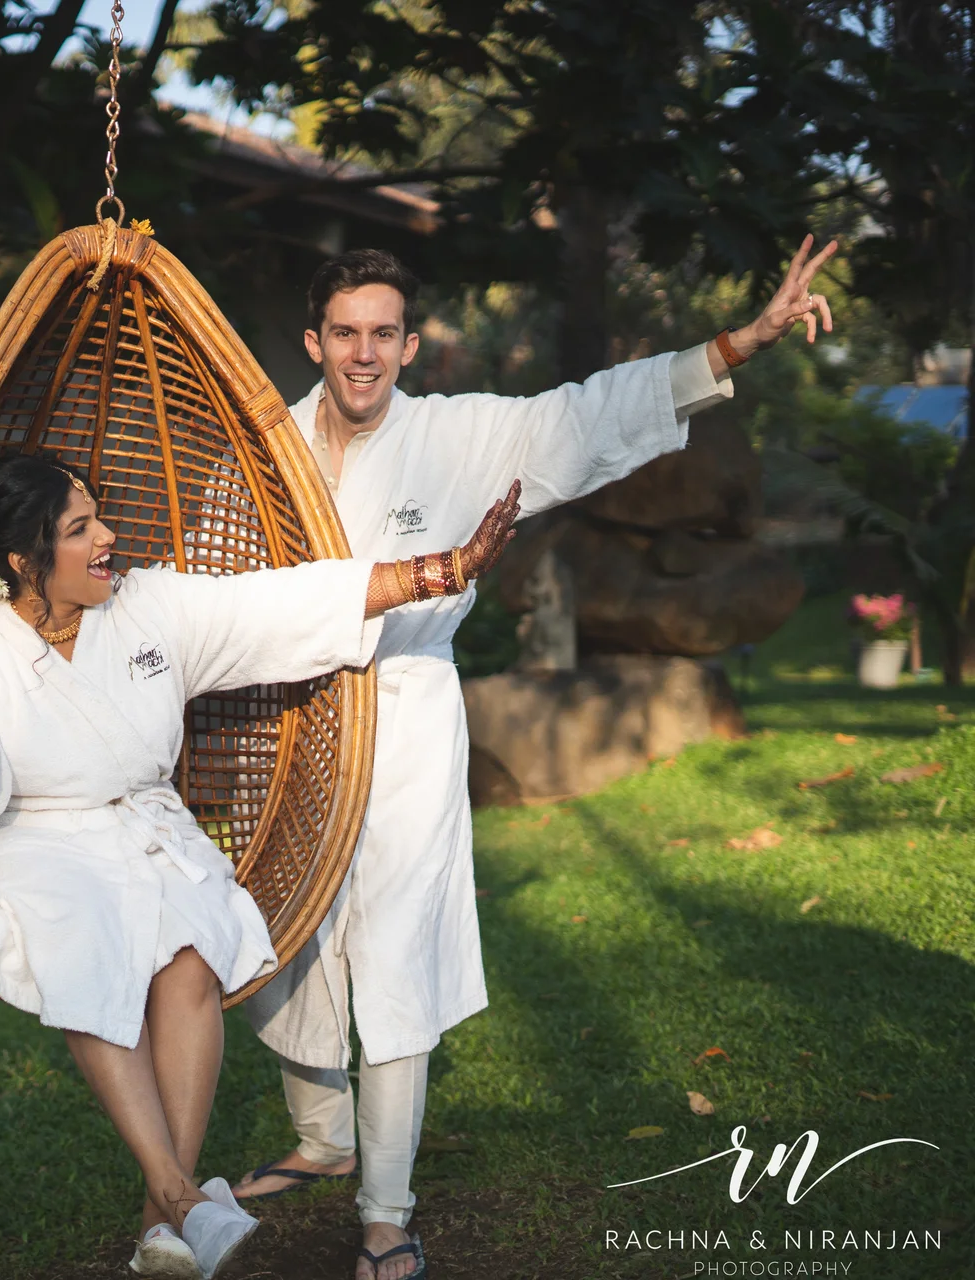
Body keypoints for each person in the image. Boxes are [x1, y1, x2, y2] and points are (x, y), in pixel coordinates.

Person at [233, 236, 841, 1280]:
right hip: (284, 719)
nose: (365, 352)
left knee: (394, 951)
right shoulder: (264, 448)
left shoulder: (461, 434)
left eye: (384, 333)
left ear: (410, 343)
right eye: (346, 333)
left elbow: (592, 411)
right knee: (283, 935)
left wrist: (742, 340)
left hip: (408, 715)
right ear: (313, 340)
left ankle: (384, 1206)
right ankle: (322, 1138)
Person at [0, 451, 521, 1280]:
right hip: (36, 842)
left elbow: (281, 604)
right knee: (84, 942)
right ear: (27, 562)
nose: (107, 537)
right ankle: (177, 1194)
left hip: (149, 826)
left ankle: (164, 1219)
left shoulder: (151, 605)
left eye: (98, 516)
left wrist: (440, 570)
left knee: (191, 958)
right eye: (79, 529)